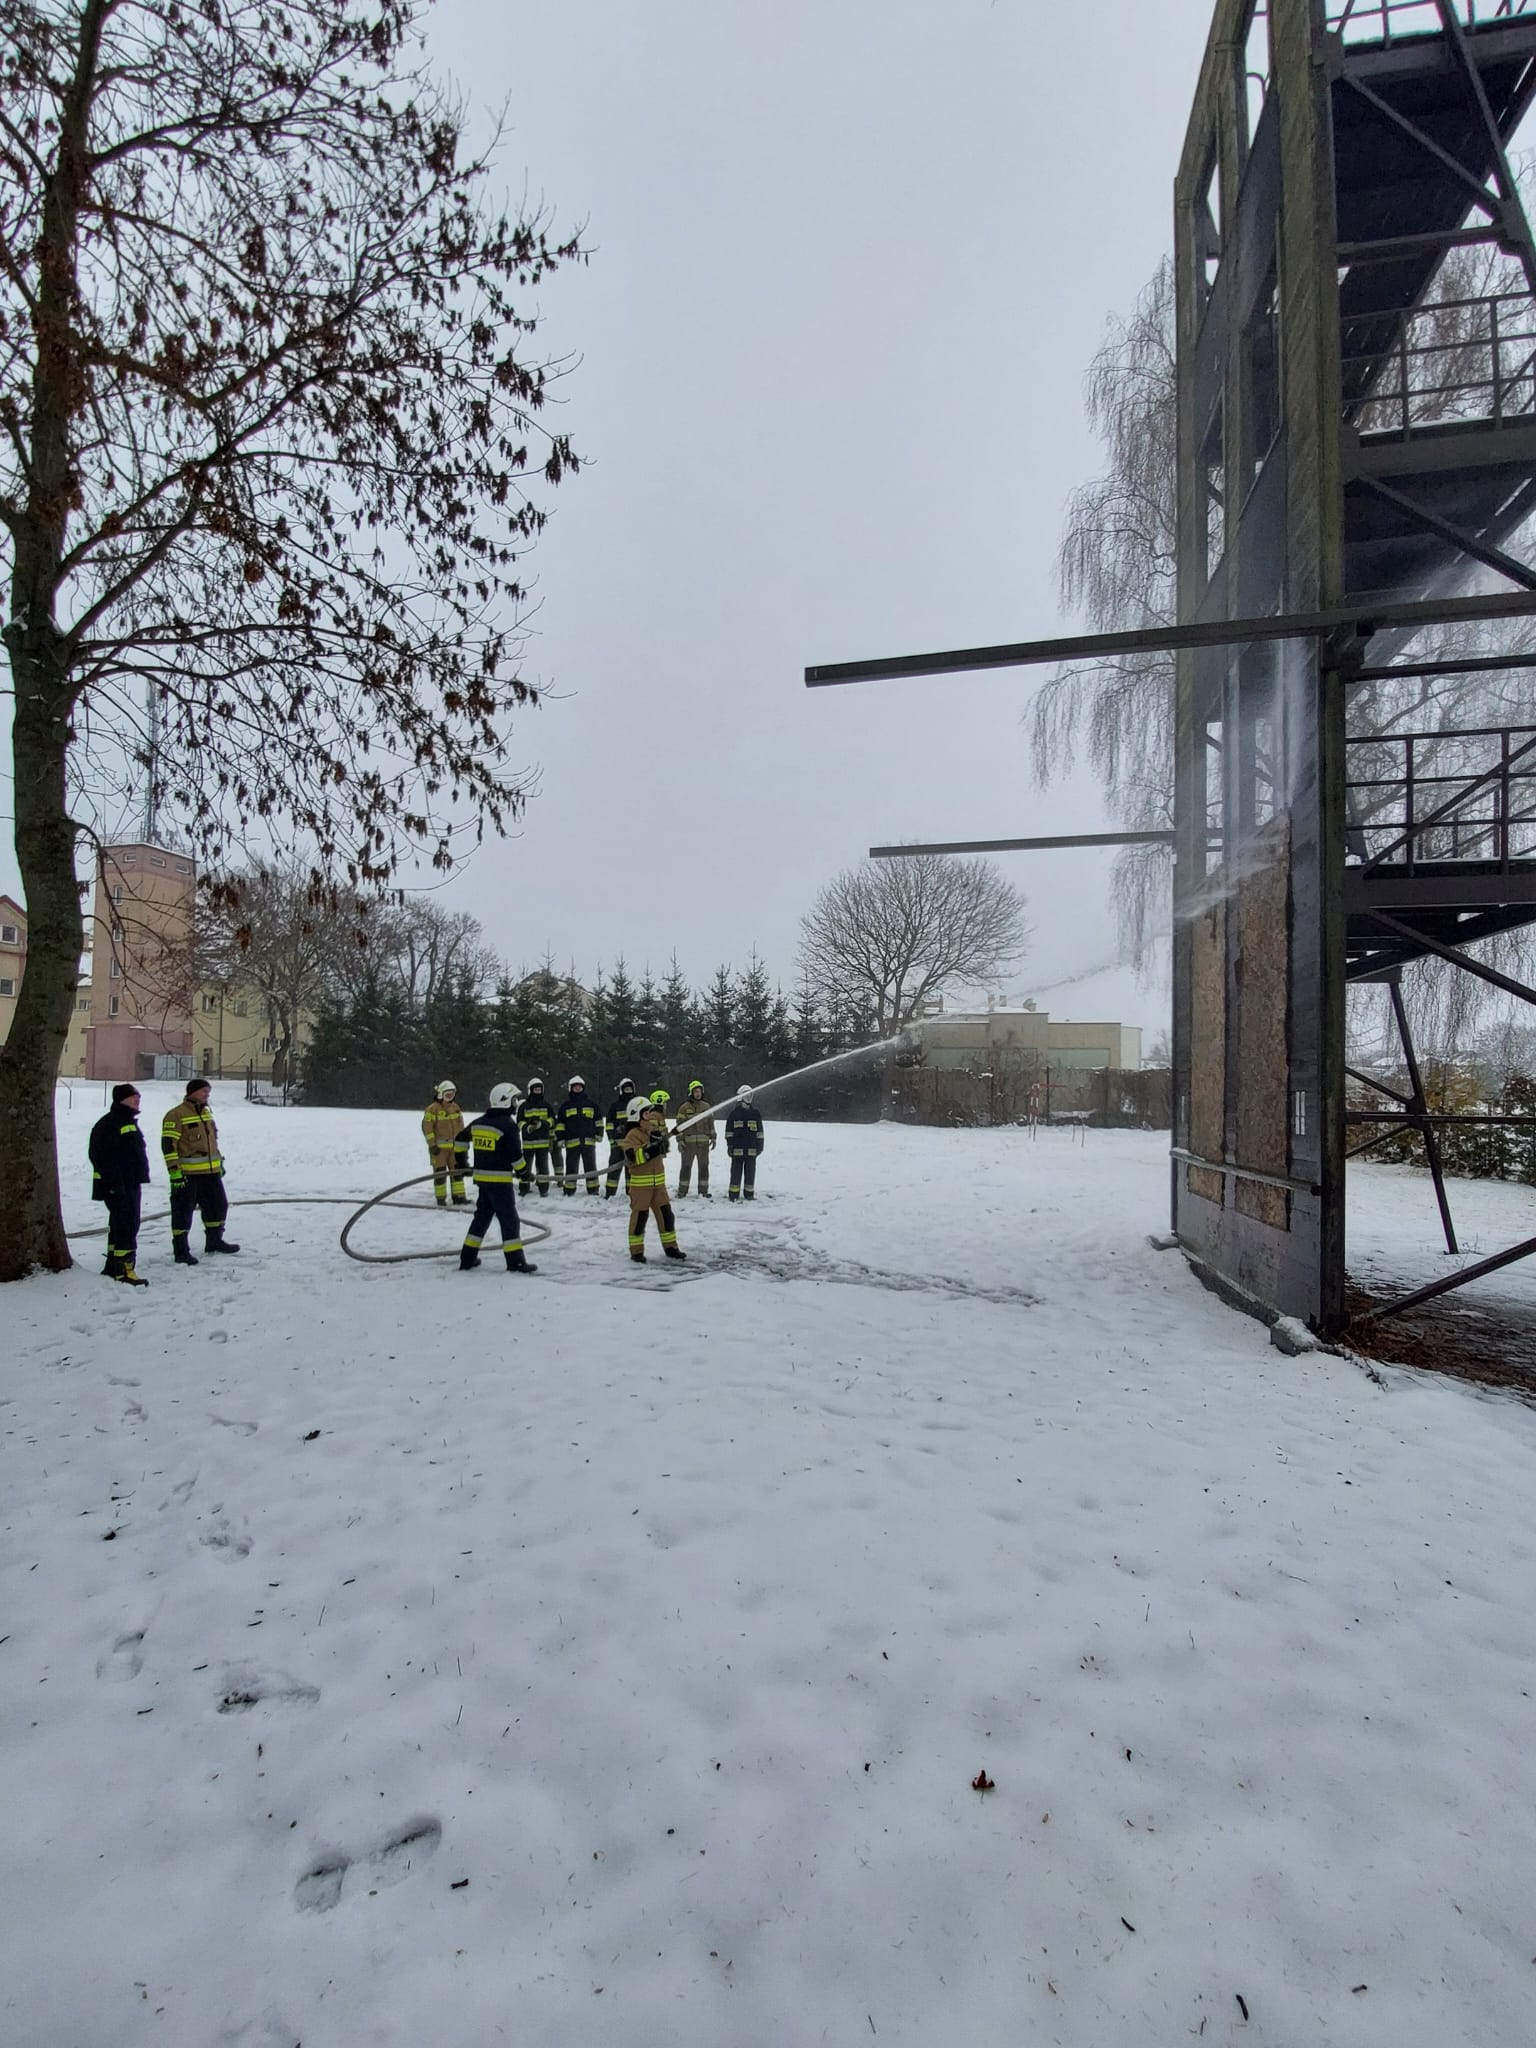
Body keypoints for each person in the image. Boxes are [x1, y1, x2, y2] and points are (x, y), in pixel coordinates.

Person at [457, 1084, 538, 1273]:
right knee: (509, 1221)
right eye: (514, 1100)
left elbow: (460, 1138)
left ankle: (467, 1257)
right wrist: (525, 1174)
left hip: (482, 1181)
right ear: (505, 1101)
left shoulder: (479, 1122)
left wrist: (462, 1162)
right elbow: (516, 1157)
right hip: (500, 1183)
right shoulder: (508, 1126)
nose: (516, 1103)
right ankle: (516, 1262)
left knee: (481, 1219)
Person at [162, 1076, 240, 1263]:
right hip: (187, 1175)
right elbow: (168, 1145)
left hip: (210, 1173)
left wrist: (219, 1163)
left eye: (208, 1092)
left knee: (218, 1206)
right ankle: (181, 1250)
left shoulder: (206, 1113)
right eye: (204, 1091)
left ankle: (214, 1240)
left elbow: (212, 1141)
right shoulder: (176, 1115)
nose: (207, 1095)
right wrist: (174, 1171)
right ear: (193, 1092)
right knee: (183, 1212)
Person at [89, 1083, 151, 1284]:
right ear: (121, 1099)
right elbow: (101, 1156)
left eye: (138, 1097)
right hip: (118, 1185)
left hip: (129, 1183)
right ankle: (124, 1271)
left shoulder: (127, 1121)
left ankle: (113, 1266)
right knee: (126, 1225)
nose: (137, 1100)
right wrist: (115, 1183)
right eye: (133, 1097)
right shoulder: (110, 1123)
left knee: (120, 1224)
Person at [618, 1095, 685, 1263]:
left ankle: (671, 1247)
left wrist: (663, 1143)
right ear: (637, 1114)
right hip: (641, 1187)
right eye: (646, 1112)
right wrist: (651, 1148)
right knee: (640, 1219)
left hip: (659, 1185)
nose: (650, 1115)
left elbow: (663, 1151)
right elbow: (635, 1157)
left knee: (667, 1216)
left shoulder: (653, 1131)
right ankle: (636, 1252)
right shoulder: (632, 1135)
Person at [421, 1079, 468, 1207]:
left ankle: (459, 1197)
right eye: (447, 1095)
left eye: (452, 1094)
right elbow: (427, 1128)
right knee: (440, 1174)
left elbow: (460, 1126)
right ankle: (441, 1199)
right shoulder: (432, 1109)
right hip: (439, 1149)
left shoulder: (455, 1108)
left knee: (457, 1173)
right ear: (441, 1094)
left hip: (455, 1148)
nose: (450, 1097)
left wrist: (463, 1143)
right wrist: (432, 1145)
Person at [558, 1074, 602, 1194]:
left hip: (588, 1141)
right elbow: (560, 1124)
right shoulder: (565, 1106)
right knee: (571, 1166)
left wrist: (599, 1133)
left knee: (590, 1166)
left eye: (580, 1087)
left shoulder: (592, 1105)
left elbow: (598, 1120)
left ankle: (593, 1189)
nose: (578, 1089)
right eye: (575, 1087)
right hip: (571, 1142)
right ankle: (569, 1189)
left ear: (583, 1088)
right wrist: (560, 1138)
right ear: (571, 1088)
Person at [673, 1080, 716, 1197]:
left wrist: (713, 1138)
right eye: (696, 1091)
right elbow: (679, 1126)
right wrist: (680, 1141)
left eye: (699, 1091)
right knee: (686, 1167)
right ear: (691, 1092)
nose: (698, 1094)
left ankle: (703, 1191)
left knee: (704, 1167)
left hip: (703, 1145)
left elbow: (711, 1124)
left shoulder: (706, 1107)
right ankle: (682, 1191)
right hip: (688, 1145)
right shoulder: (684, 1108)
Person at [517, 1078, 558, 1196]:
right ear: (530, 1090)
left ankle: (543, 1189)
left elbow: (553, 1120)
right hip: (528, 1143)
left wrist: (543, 1124)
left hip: (542, 1142)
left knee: (543, 1167)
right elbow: (519, 1122)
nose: (537, 1091)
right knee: (525, 1167)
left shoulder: (546, 1105)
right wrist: (527, 1127)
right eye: (535, 1089)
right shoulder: (524, 1106)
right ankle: (524, 1188)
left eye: (539, 1089)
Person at [724, 1084, 765, 1201]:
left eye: (750, 1095)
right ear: (740, 1097)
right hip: (737, 1150)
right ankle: (733, 1195)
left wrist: (760, 1146)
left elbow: (760, 1132)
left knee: (750, 1173)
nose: (749, 1097)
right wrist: (730, 1145)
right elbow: (729, 1132)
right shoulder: (734, 1114)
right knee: (735, 1173)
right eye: (747, 1095)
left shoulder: (755, 1113)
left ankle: (749, 1194)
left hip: (752, 1150)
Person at [603, 1076, 636, 1197]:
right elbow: (609, 1124)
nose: (628, 1091)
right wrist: (611, 1138)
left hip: (633, 1143)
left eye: (630, 1089)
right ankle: (610, 1192)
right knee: (614, 1168)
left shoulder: (637, 1105)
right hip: (618, 1143)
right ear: (621, 1090)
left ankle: (631, 1192)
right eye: (626, 1089)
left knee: (631, 1169)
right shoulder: (615, 1106)